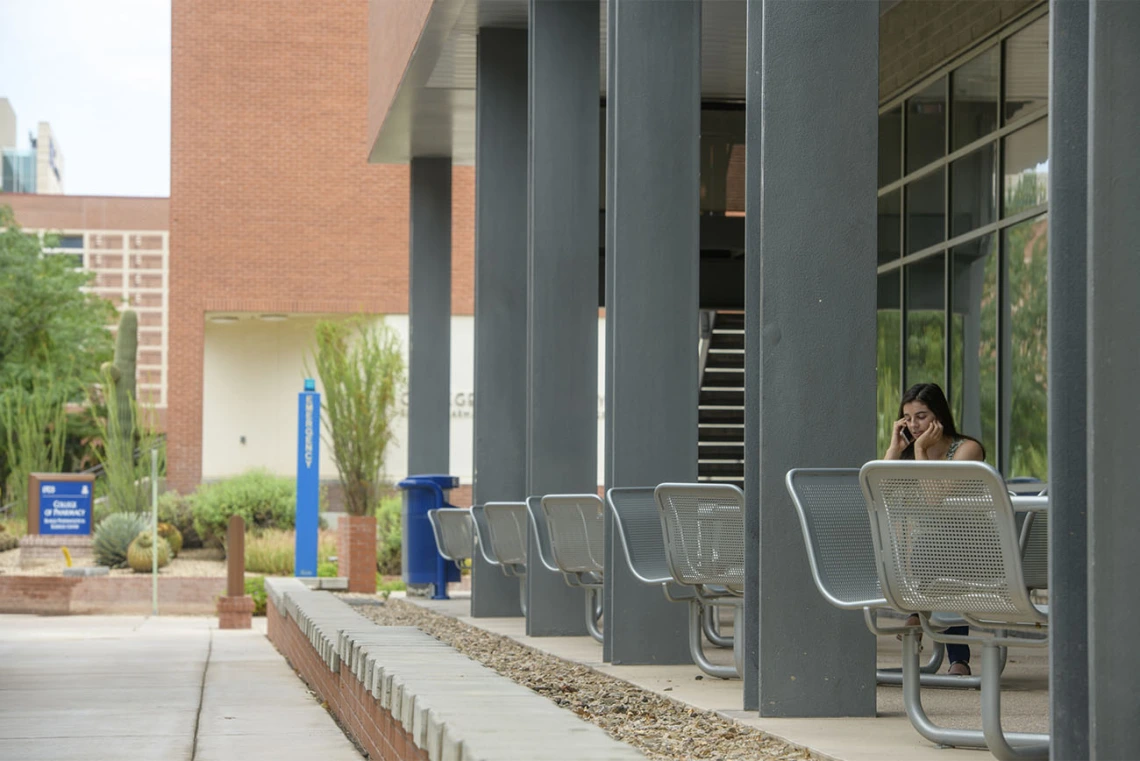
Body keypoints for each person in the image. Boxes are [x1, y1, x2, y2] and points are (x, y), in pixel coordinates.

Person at [883, 382, 985, 676]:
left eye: (922, 416)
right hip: (927, 556)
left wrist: (920, 451)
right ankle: (956, 657)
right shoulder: (910, 451)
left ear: (938, 416)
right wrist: (894, 446)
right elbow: (882, 490)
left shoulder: (967, 450)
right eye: (908, 418)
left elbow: (934, 499)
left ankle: (918, 615)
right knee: (932, 547)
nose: (914, 425)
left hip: (975, 552)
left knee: (939, 547)